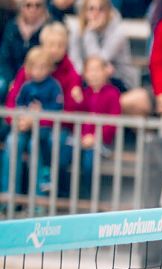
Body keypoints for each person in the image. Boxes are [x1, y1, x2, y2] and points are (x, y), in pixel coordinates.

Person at [69, 0, 150, 116]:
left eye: (100, 9)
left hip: (119, 82)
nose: (95, 14)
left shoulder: (118, 32)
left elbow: (99, 61)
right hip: (90, 81)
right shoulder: (77, 31)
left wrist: (89, 33)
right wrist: (83, 76)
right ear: (84, 12)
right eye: (91, 9)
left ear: (107, 11)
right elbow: (74, 61)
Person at [0, 47, 62, 197]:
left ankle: (38, 197)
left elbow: (57, 108)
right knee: (12, 141)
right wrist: (23, 118)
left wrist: (40, 115)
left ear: (49, 68)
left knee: (35, 144)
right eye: (34, 67)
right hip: (24, 126)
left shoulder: (54, 86)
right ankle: (8, 196)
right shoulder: (26, 86)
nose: (38, 72)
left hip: (43, 129)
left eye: (42, 67)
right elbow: (17, 103)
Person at [70, 55, 121, 199]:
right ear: (84, 74)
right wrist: (77, 99)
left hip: (102, 142)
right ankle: (65, 193)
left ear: (106, 71)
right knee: (63, 155)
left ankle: (89, 197)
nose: (94, 74)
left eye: (98, 70)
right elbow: (74, 114)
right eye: (90, 70)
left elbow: (113, 122)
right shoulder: (85, 94)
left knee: (88, 161)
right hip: (80, 140)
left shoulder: (113, 93)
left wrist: (96, 138)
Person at [5, 21, 83, 114]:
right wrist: (18, 121)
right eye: (51, 44)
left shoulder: (71, 74)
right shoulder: (29, 68)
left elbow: (69, 110)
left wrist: (37, 121)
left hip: (54, 126)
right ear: (42, 45)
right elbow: (12, 101)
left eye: (60, 45)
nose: (55, 50)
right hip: (22, 122)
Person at [0, 0, 48, 101]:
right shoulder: (11, 27)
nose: (33, 9)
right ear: (21, 8)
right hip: (12, 76)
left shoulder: (49, 28)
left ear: (44, 8)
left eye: (38, 5)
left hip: (40, 77)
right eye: (28, 5)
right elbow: (4, 58)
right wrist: (11, 79)